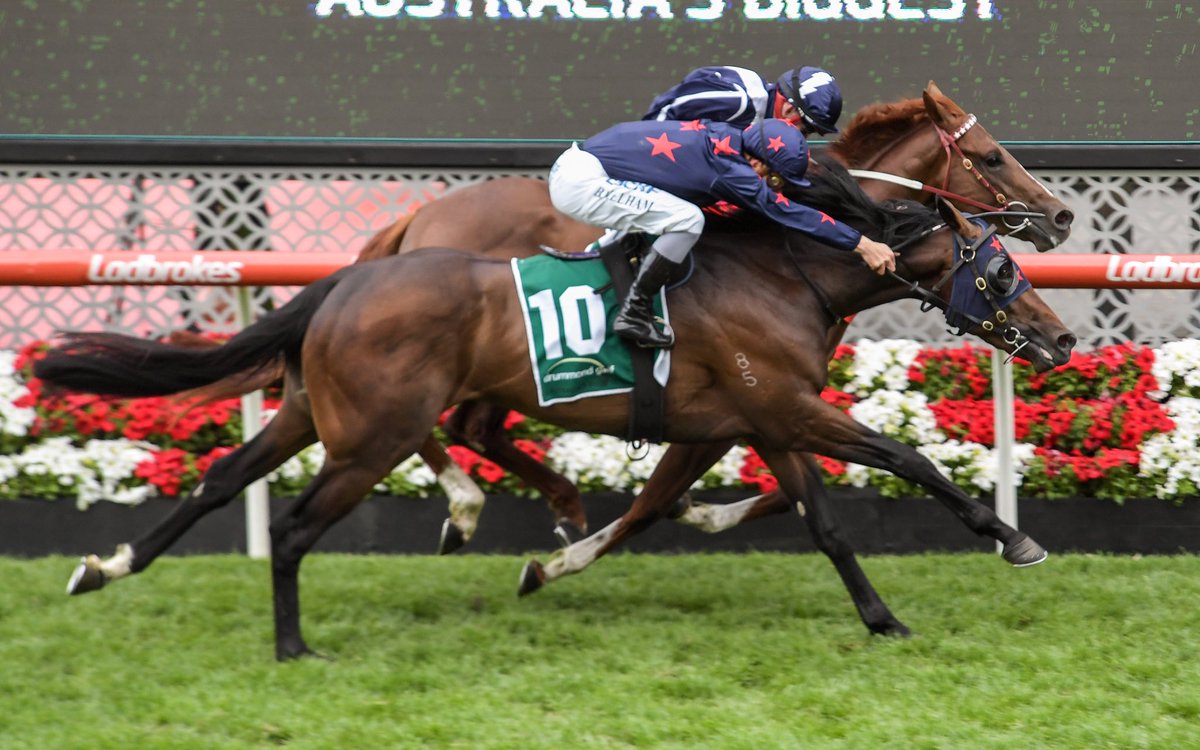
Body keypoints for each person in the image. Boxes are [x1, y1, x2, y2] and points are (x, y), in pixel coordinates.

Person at [548, 118, 897, 349]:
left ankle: (623, 254)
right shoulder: (733, 173)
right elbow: (789, 214)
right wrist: (862, 243)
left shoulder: (728, 135)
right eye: (772, 177)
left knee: (678, 211)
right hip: (581, 183)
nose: (770, 185)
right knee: (688, 221)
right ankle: (635, 313)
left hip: (581, 165)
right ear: (759, 162)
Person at [643, 65, 843, 137]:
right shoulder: (740, 101)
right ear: (789, 109)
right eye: (806, 129)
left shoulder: (760, 111)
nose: (803, 139)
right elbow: (667, 109)